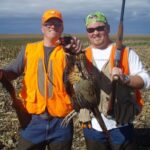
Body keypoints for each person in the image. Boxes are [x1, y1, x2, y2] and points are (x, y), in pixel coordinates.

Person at [0, 9, 82, 150]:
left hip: (61, 122)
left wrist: (77, 54)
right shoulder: (29, 50)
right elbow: (12, 71)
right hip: (32, 120)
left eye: (57, 23)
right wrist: (2, 73)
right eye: (48, 23)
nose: (52, 26)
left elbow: (80, 79)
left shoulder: (68, 52)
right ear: (42, 28)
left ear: (62, 28)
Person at [78, 11, 150, 150]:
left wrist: (126, 78)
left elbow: (146, 80)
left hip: (121, 125)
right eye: (91, 29)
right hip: (91, 126)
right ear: (87, 32)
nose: (96, 32)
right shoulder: (82, 56)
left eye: (100, 28)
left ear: (108, 29)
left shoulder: (126, 52)